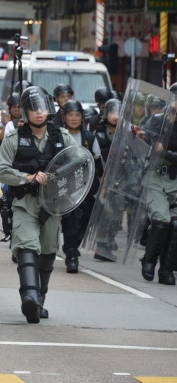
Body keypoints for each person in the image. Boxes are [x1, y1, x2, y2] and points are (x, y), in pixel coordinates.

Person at [0, 86, 77, 323]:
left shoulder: (62, 136)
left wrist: (61, 179)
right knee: (27, 247)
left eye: (42, 107)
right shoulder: (14, 139)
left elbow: (79, 165)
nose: (39, 112)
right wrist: (28, 178)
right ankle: (29, 297)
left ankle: (40, 300)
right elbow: (1, 170)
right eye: (33, 109)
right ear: (25, 112)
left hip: (53, 206)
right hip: (24, 202)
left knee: (48, 251)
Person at [60, 99, 103, 273]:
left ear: (82, 117)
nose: (74, 118)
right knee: (71, 218)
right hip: (66, 186)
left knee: (85, 219)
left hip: (86, 186)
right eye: (70, 115)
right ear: (64, 117)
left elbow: (98, 162)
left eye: (77, 115)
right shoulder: (58, 136)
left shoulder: (90, 137)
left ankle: (74, 244)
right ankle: (71, 254)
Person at [141, 84, 177, 286]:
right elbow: (148, 143)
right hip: (156, 176)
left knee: (175, 224)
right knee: (161, 219)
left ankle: (166, 269)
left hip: (175, 179)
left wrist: (166, 152)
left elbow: (162, 150)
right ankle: (149, 260)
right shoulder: (156, 121)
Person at [92, 98, 122, 261]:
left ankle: (109, 241)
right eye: (112, 112)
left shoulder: (127, 133)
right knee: (106, 212)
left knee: (117, 215)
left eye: (118, 112)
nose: (115, 116)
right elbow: (95, 157)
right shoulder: (98, 134)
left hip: (121, 181)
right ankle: (101, 246)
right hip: (103, 180)